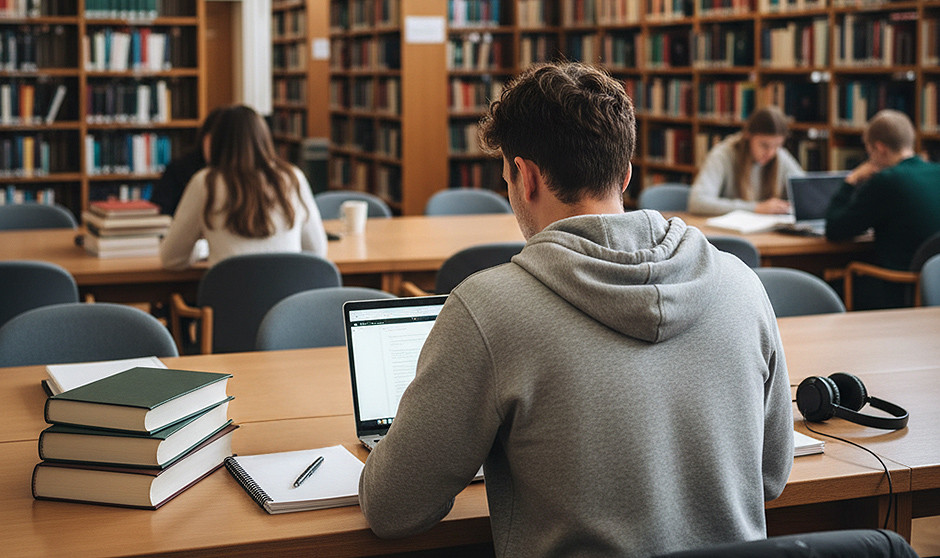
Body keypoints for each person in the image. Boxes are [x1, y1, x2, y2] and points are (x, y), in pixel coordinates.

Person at [358, 63, 793, 556]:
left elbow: (393, 508)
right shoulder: (742, 285)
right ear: (625, 174)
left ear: (526, 178)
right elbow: (771, 474)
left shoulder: (488, 309)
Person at [160, 105, 328, 270]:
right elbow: (317, 251)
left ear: (217, 142)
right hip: (290, 296)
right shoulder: (292, 177)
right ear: (264, 139)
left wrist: (203, 249)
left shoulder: (205, 183)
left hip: (230, 296)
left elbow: (172, 259)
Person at [826, 109, 940, 308]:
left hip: (900, 287)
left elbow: (835, 229)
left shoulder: (886, 180)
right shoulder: (936, 171)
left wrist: (850, 181)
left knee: (830, 285)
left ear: (880, 148)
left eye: (869, 152)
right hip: (934, 288)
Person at [688, 106, 804, 215]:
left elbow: (806, 190)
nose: (771, 153)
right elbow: (698, 202)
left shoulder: (779, 155)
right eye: (764, 145)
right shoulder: (723, 155)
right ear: (748, 136)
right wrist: (756, 208)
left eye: (777, 145)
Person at [151, 107, 225, 215]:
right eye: (212, 139)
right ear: (203, 137)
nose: (217, 148)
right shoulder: (179, 169)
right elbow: (161, 210)